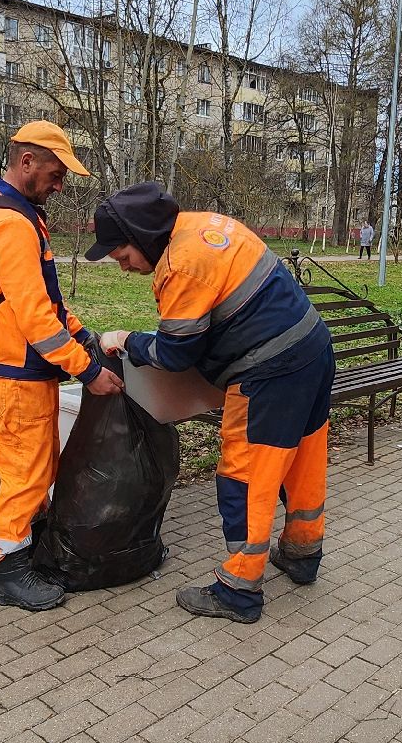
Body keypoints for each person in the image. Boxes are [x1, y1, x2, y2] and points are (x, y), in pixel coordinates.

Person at [89, 183, 334, 625]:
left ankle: (239, 589)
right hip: (312, 349)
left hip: (268, 372)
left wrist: (124, 340)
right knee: (304, 460)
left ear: (143, 236)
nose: (123, 267)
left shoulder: (182, 263)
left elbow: (176, 353)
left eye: (123, 256)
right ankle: (301, 553)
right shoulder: (206, 227)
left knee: (245, 475)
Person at [0, 122, 123, 612]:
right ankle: (5, 569)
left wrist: (85, 339)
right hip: (12, 369)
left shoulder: (15, 213)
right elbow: (35, 318)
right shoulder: (10, 224)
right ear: (26, 161)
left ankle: (28, 550)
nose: (60, 185)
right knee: (25, 472)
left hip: (19, 365)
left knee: (37, 464)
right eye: (55, 175)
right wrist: (88, 370)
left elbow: (45, 303)